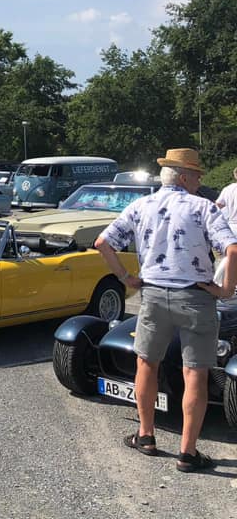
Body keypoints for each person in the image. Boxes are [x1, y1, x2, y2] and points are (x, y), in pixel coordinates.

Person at [94, 148, 237, 473]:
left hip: (154, 296)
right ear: (184, 177)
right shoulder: (203, 207)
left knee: (146, 364)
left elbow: (103, 243)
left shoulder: (141, 205)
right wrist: (226, 290)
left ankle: (146, 436)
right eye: (197, 175)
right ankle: (188, 453)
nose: (199, 181)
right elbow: (232, 249)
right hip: (196, 297)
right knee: (195, 373)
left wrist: (126, 278)